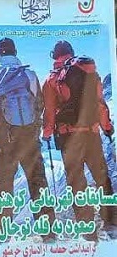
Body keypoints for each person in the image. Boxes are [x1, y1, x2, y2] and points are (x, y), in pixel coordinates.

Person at [0, 38, 55, 243]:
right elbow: (40, 103)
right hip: (29, 140)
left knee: (3, 189)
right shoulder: (30, 75)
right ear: (15, 53)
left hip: (3, 142)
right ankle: (48, 233)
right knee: (38, 184)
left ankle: (2, 235)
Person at [42, 40, 116, 241]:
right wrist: (106, 127)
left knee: (77, 183)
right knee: (101, 177)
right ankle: (111, 223)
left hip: (69, 138)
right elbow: (100, 104)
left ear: (54, 56)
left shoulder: (52, 79)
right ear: (71, 53)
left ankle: (87, 229)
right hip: (92, 134)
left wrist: (47, 134)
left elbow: (49, 113)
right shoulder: (90, 71)